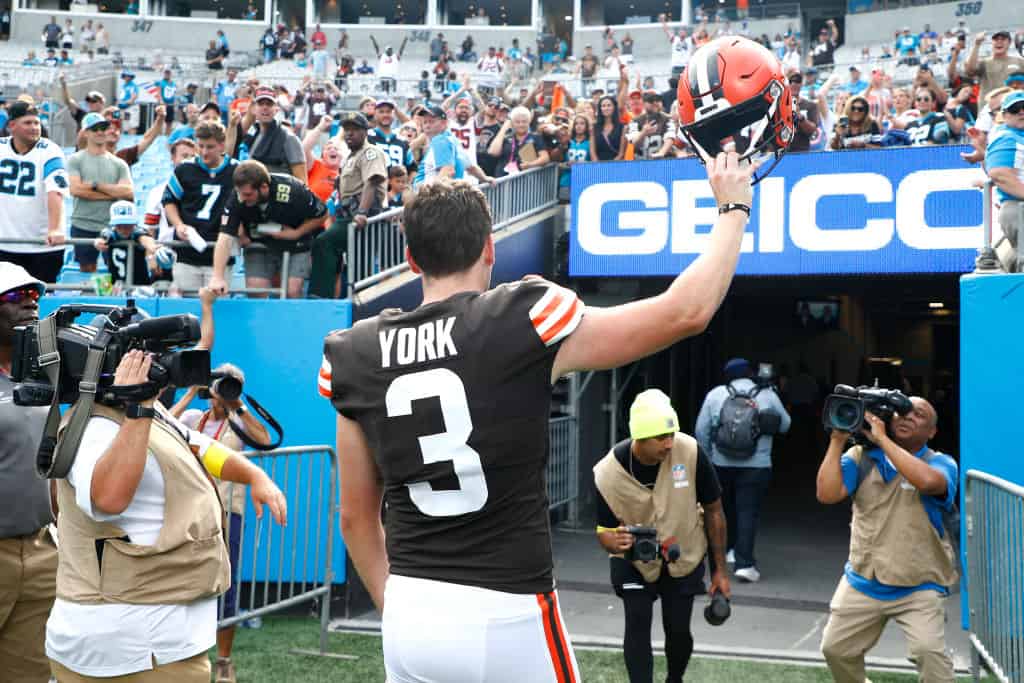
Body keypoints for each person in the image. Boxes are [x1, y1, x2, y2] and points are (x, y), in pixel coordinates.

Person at [319, 148, 757, 682]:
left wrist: (405, 609)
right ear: (489, 249)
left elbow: (354, 517)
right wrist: (733, 209)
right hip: (507, 607)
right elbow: (685, 311)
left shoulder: (355, 352)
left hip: (411, 603)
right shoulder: (519, 318)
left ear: (411, 258)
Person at [44, 343, 286, 682]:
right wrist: (139, 407)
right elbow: (107, 498)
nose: (161, 367)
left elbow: (199, 446)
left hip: (160, 644)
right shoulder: (95, 424)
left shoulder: (150, 412)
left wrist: (254, 475)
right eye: (146, 358)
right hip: (132, 651)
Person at [816, 398, 957, 683]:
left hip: (919, 584)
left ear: (932, 432)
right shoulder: (861, 457)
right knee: (835, 649)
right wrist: (837, 439)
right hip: (863, 580)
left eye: (918, 415)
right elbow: (827, 494)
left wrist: (882, 440)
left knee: (929, 655)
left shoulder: (940, 462)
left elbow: (930, 483)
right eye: (901, 412)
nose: (907, 417)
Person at [594, 390, 729, 683]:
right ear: (639, 437)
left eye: (671, 434)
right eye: (661, 437)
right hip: (633, 561)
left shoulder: (690, 451)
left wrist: (720, 571)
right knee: (638, 622)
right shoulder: (607, 473)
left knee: (678, 630)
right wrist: (612, 541)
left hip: (685, 554)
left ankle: (674, 679)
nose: (669, 443)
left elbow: (714, 509)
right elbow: (604, 532)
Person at [170, 292, 270, 683]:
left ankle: (224, 660)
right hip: (192, 510)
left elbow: (263, 439)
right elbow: (165, 423)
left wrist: (238, 405)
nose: (222, 391)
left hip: (229, 512)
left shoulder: (237, 422)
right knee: (186, 578)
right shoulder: (195, 414)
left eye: (230, 385)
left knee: (225, 586)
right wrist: (193, 392)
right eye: (220, 385)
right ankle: (186, 651)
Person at [0, 263, 57, 682]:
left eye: (35, 295)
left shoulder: (40, 377)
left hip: (39, 553)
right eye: (17, 296)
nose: (31, 302)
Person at [695, 358, 790, 583]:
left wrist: (709, 458)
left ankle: (728, 551)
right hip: (756, 466)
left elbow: (701, 430)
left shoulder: (716, 394)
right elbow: (786, 425)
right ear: (750, 373)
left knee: (722, 509)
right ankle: (744, 564)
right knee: (747, 511)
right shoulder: (766, 394)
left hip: (721, 463)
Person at [210, 160, 327, 299]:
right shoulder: (238, 196)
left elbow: (322, 214)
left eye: (247, 195)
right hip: (259, 243)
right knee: (255, 290)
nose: (242, 199)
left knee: (292, 291)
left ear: (264, 187)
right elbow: (224, 237)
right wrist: (217, 276)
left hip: (296, 244)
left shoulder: (293, 190)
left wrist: (297, 233)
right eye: (240, 193)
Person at [308, 112, 386, 300]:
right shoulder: (351, 157)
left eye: (355, 130)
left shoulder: (370, 152)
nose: (350, 133)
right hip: (346, 215)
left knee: (326, 243)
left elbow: (372, 182)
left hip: (361, 216)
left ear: (365, 132)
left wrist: (362, 212)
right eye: (347, 130)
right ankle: (344, 299)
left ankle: (321, 296)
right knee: (354, 261)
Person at [163, 121, 238, 292]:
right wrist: (178, 224)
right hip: (187, 253)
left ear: (221, 145)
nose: (204, 152)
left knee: (217, 310)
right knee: (186, 311)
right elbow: (169, 200)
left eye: (210, 147)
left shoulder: (235, 170)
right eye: (201, 146)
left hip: (220, 254)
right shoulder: (185, 169)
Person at [0, 102, 68, 284]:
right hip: (5, 242)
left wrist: (55, 228)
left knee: (39, 300)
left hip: (42, 246)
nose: (34, 128)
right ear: (12, 125)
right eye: (28, 123)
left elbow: (55, 192)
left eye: (37, 123)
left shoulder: (50, 150)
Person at [68, 112, 133, 274]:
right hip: (82, 224)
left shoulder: (119, 163)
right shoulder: (75, 159)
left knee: (115, 272)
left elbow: (128, 192)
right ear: (86, 132)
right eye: (94, 128)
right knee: (86, 270)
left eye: (103, 127)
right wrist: (112, 193)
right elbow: (76, 189)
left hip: (111, 225)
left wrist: (95, 186)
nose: (100, 132)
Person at [985, 90, 1024, 272]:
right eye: (1015, 109)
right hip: (1019, 208)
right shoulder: (1007, 137)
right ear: (1005, 115)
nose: (1022, 112)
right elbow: (999, 174)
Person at [93, 200, 169, 289]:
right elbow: (102, 239)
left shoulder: (138, 232)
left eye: (128, 225)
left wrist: (151, 246)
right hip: (116, 284)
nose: (124, 229)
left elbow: (145, 238)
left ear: (134, 224)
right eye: (119, 225)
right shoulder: (109, 233)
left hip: (139, 284)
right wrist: (98, 242)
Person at [239, 87, 307, 182]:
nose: (265, 107)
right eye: (261, 104)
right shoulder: (252, 134)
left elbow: (302, 183)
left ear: (276, 109)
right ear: (253, 109)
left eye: (269, 104)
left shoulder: (289, 138)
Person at [966, 31, 1024, 103]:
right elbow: (970, 70)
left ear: (1009, 43)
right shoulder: (984, 62)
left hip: (1013, 108)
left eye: (1003, 39)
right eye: (996, 39)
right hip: (988, 108)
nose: (999, 42)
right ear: (992, 43)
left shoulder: (1019, 62)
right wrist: (977, 44)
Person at [625, 92, 675, 160]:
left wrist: (661, 153)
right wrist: (643, 133)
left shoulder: (667, 120)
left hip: (663, 163)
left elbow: (670, 138)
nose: (655, 103)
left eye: (658, 100)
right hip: (641, 164)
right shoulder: (635, 121)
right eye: (651, 101)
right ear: (643, 103)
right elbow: (634, 143)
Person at [155, 68, 177, 135]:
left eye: (168, 73)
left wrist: (174, 103)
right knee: (160, 121)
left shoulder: (173, 83)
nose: (167, 75)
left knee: (169, 122)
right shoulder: (160, 82)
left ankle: (167, 136)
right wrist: (161, 102)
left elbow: (174, 94)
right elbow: (158, 93)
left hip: (170, 105)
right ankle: (159, 136)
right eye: (166, 73)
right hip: (163, 105)